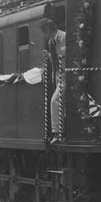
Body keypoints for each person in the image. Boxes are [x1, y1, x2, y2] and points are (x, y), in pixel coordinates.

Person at [39, 10, 67, 144]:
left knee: (55, 101)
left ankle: (57, 132)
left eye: (43, 32)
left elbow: (64, 57)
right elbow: (56, 60)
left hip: (65, 75)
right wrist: (49, 57)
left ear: (48, 30)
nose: (43, 36)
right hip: (58, 75)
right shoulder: (51, 41)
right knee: (60, 103)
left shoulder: (62, 37)